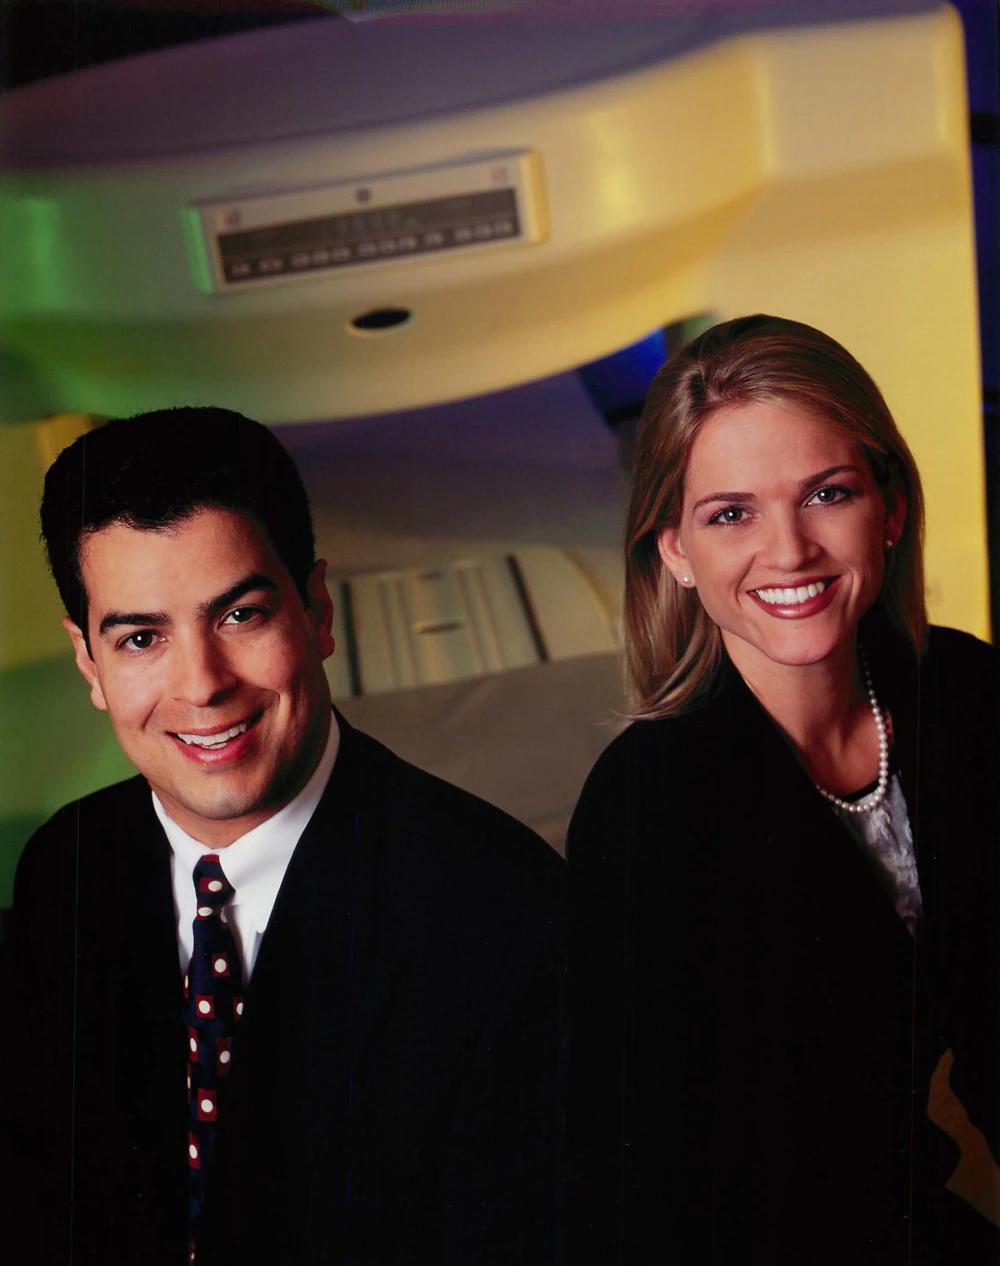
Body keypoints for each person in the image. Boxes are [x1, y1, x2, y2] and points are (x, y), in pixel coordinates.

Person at [0, 408, 564, 1266]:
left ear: (318, 611)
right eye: (142, 638)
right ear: (89, 664)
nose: (201, 686)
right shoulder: (66, 867)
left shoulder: (506, 919)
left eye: (240, 616)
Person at [567, 315, 1000, 1265]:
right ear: (675, 552)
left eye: (827, 494)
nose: (791, 549)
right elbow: (670, 1183)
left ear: (887, 507)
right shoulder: (647, 814)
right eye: (731, 514)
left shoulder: (966, 694)